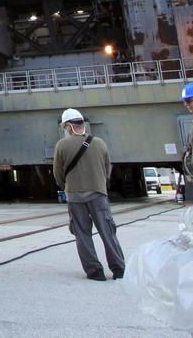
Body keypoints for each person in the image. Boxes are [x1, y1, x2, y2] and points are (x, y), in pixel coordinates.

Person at [52, 108, 126, 281]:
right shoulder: (99, 143)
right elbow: (107, 168)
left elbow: (57, 174)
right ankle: (119, 269)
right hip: (98, 194)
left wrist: (68, 187)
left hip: (75, 196)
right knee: (108, 232)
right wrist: (99, 183)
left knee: (82, 234)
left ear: (69, 127)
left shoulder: (62, 145)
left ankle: (94, 271)